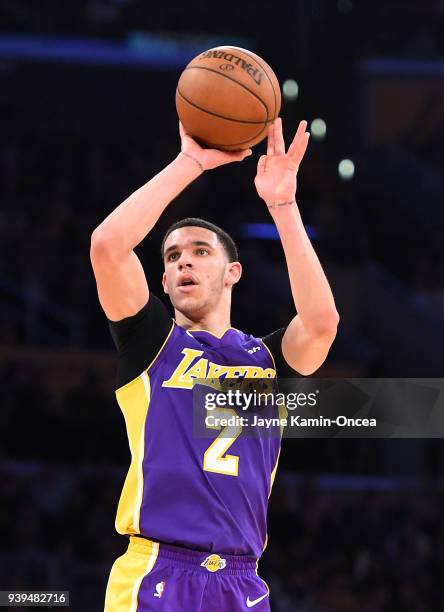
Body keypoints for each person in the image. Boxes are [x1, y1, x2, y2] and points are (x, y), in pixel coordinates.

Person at [90, 118, 339, 611]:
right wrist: (190, 163)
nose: (184, 261)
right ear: (162, 280)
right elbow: (107, 247)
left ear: (233, 273)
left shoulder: (267, 362)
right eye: (173, 255)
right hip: (156, 572)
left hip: (242, 583)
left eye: (200, 252)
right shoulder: (151, 346)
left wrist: (283, 207)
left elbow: (322, 322)